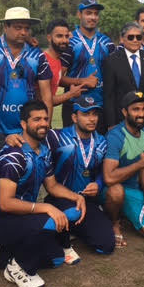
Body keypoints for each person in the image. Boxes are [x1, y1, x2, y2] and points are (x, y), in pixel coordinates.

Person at [0, 100, 86, 287]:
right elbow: (5, 204)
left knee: (57, 257)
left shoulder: (43, 150)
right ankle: (15, 267)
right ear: (24, 124)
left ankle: (4, 251)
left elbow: (52, 186)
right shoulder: (13, 156)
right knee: (50, 220)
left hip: (22, 217)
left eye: (45, 118)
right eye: (37, 119)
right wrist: (47, 207)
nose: (43, 123)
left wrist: (76, 196)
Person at [0, 7, 53, 193]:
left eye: (26, 28)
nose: (23, 32)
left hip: (26, 128)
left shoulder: (37, 56)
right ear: (5, 27)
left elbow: (46, 94)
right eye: (18, 27)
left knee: (25, 172)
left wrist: (45, 124)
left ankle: (19, 214)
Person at [44, 96, 116, 259]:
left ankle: (71, 229)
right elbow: (31, 141)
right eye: (85, 114)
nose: (92, 119)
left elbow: (101, 172)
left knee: (106, 245)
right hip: (60, 198)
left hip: (86, 201)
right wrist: (11, 138)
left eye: (94, 114)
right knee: (72, 214)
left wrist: (98, 184)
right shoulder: (56, 137)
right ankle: (61, 228)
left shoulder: (102, 142)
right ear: (74, 117)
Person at [103, 92, 144, 246]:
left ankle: (125, 211)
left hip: (131, 189)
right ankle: (114, 222)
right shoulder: (115, 136)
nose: (141, 114)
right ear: (124, 112)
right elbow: (109, 178)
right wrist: (141, 164)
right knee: (117, 192)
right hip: (110, 189)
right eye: (136, 109)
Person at [59, 0, 116, 132]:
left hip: (100, 106)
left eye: (96, 14)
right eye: (88, 13)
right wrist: (82, 81)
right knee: (74, 150)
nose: (93, 17)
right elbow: (57, 79)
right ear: (79, 14)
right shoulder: (70, 41)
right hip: (75, 105)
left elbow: (114, 75)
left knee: (99, 148)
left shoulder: (107, 42)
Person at [103, 22, 144, 139]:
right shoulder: (111, 61)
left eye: (138, 37)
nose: (135, 40)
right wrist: (111, 123)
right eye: (131, 37)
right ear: (122, 39)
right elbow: (109, 96)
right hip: (122, 120)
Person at [43, 18, 86, 107]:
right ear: (49, 38)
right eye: (59, 36)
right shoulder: (43, 62)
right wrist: (70, 94)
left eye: (66, 36)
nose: (64, 40)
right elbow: (44, 100)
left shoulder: (58, 61)